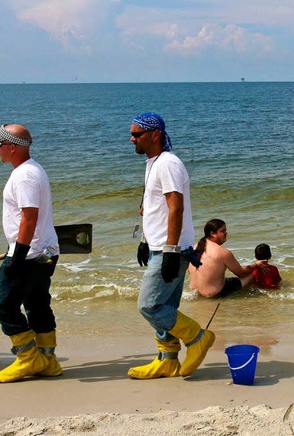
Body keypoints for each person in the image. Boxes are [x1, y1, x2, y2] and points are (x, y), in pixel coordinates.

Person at [128, 112, 214, 379]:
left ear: (155, 135)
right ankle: (166, 359)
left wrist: (169, 250)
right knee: (165, 307)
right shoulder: (153, 163)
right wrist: (144, 239)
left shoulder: (168, 164)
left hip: (172, 250)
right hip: (160, 246)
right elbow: (154, 210)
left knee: (150, 306)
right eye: (131, 134)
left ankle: (198, 338)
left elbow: (175, 208)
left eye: (137, 134)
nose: (132, 139)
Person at [0, 123, 61, 383]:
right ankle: (48, 361)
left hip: (30, 254)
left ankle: (29, 359)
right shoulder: (30, 170)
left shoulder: (25, 176)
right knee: (37, 305)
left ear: (13, 148)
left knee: (2, 306)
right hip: (44, 251)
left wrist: (16, 257)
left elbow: (29, 217)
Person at [188, 219, 267, 297]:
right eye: (223, 231)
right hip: (215, 294)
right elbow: (242, 273)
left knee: (228, 279)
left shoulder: (194, 247)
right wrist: (256, 265)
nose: (226, 233)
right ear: (212, 233)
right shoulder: (222, 252)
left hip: (196, 292)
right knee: (252, 274)